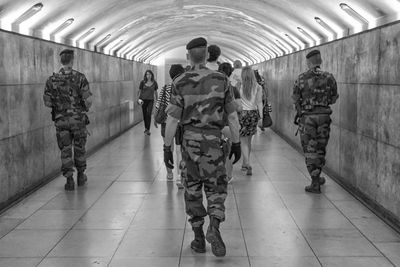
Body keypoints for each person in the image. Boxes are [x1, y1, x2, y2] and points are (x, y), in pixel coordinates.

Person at [163, 37, 241, 257]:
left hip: (189, 145)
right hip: (214, 142)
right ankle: (214, 227)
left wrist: (167, 147)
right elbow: (233, 117)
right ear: (207, 55)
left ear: (188, 56)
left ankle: (198, 238)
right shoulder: (221, 79)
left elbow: (172, 120)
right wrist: (236, 143)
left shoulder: (179, 81)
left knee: (192, 188)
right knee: (216, 188)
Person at [43, 49, 92, 191]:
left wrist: (59, 105)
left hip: (61, 120)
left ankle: (69, 180)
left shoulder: (51, 80)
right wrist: (80, 108)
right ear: (72, 60)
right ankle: (81, 176)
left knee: (65, 149)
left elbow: (47, 102)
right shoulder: (80, 78)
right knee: (79, 147)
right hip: (78, 120)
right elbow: (88, 100)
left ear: (61, 61)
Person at [292, 50, 338, 194]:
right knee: (321, 148)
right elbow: (333, 98)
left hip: (308, 119)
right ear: (320, 61)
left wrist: (301, 110)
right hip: (324, 117)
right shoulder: (329, 77)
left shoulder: (301, 78)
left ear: (309, 62)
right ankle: (317, 174)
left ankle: (315, 181)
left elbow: (295, 99)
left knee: (310, 149)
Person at [153, 64, 185, 189]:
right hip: (180, 123)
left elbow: (158, 104)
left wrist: (155, 118)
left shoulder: (166, 88)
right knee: (180, 150)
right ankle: (180, 175)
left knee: (168, 147)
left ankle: (170, 173)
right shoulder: (184, 88)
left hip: (167, 122)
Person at [218, 62, 242, 183]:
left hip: (215, 125)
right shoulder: (233, 89)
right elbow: (238, 108)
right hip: (229, 125)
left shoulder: (213, 88)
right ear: (231, 73)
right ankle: (228, 175)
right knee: (229, 151)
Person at [239, 66, 263, 176]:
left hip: (242, 114)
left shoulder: (238, 85)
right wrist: (261, 116)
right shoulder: (258, 87)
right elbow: (259, 103)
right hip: (253, 114)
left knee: (243, 141)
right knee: (248, 140)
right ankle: (245, 163)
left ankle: (247, 163)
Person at [138, 70, 158, 135]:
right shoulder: (142, 82)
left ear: (151, 75)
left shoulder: (154, 83)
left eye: (149, 74)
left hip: (150, 100)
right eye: (147, 74)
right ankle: (146, 128)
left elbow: (155, 92)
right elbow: (139, 91)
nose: (148, 76)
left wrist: (157, 100)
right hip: (143, 100)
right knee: (144, 114)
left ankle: (148, 129)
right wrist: (138, 99)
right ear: (145, 75)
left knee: (149, 114)